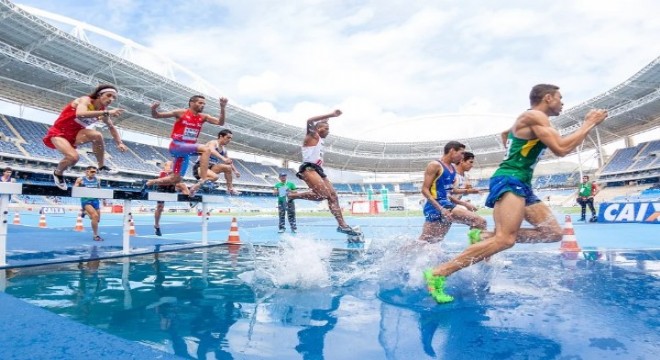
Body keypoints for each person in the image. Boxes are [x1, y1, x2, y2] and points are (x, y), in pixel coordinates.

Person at [423, 84, 608, 303]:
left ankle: (482, 237)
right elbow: (561, 149)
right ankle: (438, 274)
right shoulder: (535, 117)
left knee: (553, 233)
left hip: (521, 182)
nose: (562, 102)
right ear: (548, 98)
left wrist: (513, 150)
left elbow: (505, 134)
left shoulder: (530, 120)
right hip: (510, 180)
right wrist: (588, 123)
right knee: (505, 240)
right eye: (560, 98)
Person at [288, 110, 361, 236]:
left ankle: (342, 225)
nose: (328, 130)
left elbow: (319, 123)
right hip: (308, 169)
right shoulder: (313, 136)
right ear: (318, 128)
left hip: (318, 170)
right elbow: (310, 121)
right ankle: (292, 196)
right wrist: (331, 115)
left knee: (333, 196)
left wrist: (326, 120)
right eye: (326, 128)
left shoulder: (320, 139)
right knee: (322, 195)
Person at [43, 84, 127, 190]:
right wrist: (107, 112)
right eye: (109, 95)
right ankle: (58, 173)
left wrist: (119, 142)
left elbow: (111, 127)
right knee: (73, 158)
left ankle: (101, 166)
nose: (111, 99)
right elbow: (80, 114)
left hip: (76, 134)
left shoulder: (102, 111)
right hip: (59, 132)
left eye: (114, 97)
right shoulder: (85, 100)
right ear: (99, 95)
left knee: (97, 135)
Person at [142, 96, 228, 195]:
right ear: (191, 103)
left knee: (176, 179)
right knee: (206, 149)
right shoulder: (180, 113)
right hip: (177, 145)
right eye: (200, 103)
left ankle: (149, 182)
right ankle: (204, 180)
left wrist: (222, 107)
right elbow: (157, 115)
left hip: (186, 151)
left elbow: (220, 123)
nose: (203, 105)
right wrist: (153, 109)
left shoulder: (203, 117)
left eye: (204, 104)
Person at [419, 142, 486, 243]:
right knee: (479, 221)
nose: (462, 156)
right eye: (461, 153)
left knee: (430, 241)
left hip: (445, 204)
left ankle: (400, 252)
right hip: (437, 205)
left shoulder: (452, 169)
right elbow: (424, 189)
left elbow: (450, 191)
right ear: (452, 151)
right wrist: (441, 209)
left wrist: (469, 191)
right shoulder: (435, 165)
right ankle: (474, 255)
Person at [192, 129, 241, 195]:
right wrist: (223, 158)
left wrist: (235, 171)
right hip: (200, 168)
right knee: (215, 177)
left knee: (228, 168)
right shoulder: (213, 143)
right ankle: (195, 187)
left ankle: (230, 189)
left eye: (231, 138)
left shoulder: (224, 149)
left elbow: (228, 160)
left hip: (211, 168)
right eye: (228, 137)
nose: (229, 140)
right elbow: (212, 150)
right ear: (221, 136)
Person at [154, 161, 190, 236]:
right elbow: (164, 181)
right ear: (165, 167)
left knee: (182, 185)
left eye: (171, 166)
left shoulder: (175, 172)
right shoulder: (163, 173)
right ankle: (157, 225)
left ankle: (190, 200)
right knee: (160, 207)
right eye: (168, 166)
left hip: (171, 187)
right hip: (162, 188)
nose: (170, 167)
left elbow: (178, 181)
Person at [74, 166, 103, 241]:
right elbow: (74, 190)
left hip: (95, 200)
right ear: (87, 172)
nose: (94, 173)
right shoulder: (80, 179)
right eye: (92, 172)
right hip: (86, 200)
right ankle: (95, 235)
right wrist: (79, 186)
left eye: (95, 172)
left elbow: (99, 189)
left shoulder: (97, 180)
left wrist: (103, 199)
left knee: (97, 219)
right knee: (95, 216)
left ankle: (85, 212)